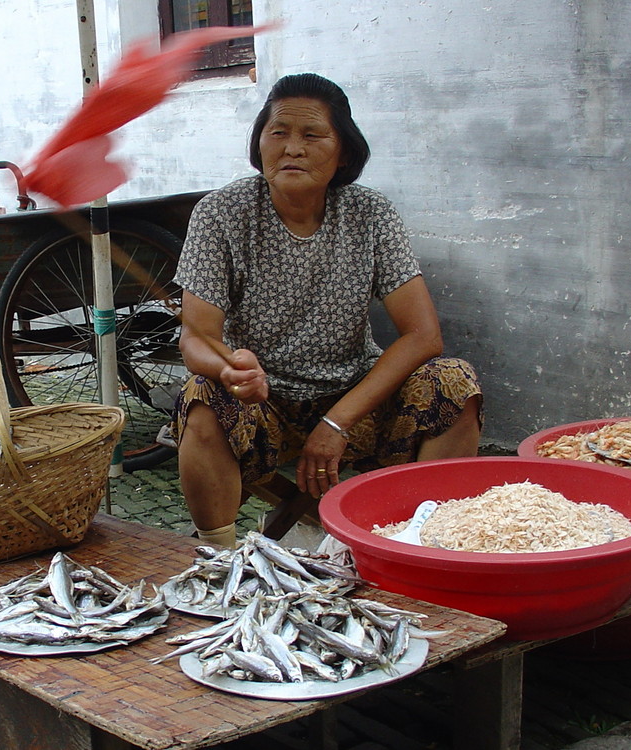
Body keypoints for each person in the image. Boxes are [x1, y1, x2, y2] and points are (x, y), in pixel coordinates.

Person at [171, 73, 482, 548]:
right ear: (260, 144)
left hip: (354, 406)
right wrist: (230, 369)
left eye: (312, 135)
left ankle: (425, 541)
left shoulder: (370, 215)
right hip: (263, 406)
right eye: (278, 132)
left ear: (343, 153)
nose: (292, 148)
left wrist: (337, 423)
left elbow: (423, 335)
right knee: (203, 396)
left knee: (453, 383)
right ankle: (219, 561)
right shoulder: (223, 214)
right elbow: (196, 336)